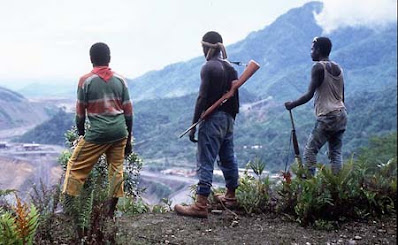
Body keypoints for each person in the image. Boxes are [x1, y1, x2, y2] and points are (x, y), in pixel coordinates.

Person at [62, 42, 133, 217]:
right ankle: (110, 212)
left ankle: (69, 210)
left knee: (75, 166)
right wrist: (128, 140)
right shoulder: (121, 80)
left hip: (98, 133)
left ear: (91, 59)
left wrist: (81, 134)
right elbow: (129, 114)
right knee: (116, 169)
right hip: (119, 132)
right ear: (109, 59)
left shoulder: (85, 81)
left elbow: (80, 114)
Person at [174, 31, 240, 218]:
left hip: (212, 119)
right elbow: (234, 98)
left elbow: (202, 97)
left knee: (205, 160)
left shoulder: (209, 67)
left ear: (206, 47)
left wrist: (194, 124)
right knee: (228, 157)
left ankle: (200, 204)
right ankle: (230, 197)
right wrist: (230, 119)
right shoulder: (230, 68)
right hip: (228, 119)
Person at [284, 37, 347, 176]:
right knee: (335, 153)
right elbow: (342, 95)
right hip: (341, 114)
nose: (311, 52)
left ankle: (309, 186)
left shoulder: (318, 67)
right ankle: (337, 186)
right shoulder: (338, 68)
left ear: (318, 50)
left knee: (310, 151)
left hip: (327, 115)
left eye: (312, 49)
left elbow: (309, 94)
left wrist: (291, 104)